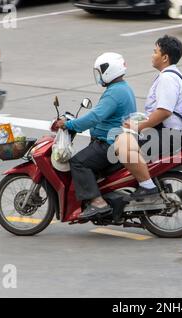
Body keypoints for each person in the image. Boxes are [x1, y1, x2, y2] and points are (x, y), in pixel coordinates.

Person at [53, 52, 136, 220]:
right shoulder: (122, 88)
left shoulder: (114, 93)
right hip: (116, 141)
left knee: (77, 162)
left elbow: (94, 117)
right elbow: (101, 116)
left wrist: (68, 124)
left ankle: (98, 203)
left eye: (100, 71)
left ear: (108, 70)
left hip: (110, 145)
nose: (98, 76)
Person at [114, 34, 182, 200]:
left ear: (165, 57)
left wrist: (138, 127)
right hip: (172, 133)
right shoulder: (175, 75)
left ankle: (148, 187)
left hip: (170, 135)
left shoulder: (167, 78)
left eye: (155, 51)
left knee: (122, 145)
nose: (152, 55)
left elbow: (164, 111)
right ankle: (157, 185)